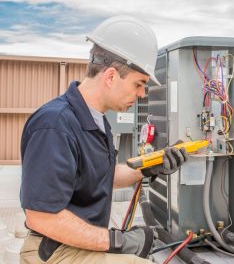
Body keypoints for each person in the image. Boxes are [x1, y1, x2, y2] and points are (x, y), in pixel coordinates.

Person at [19, 15, 188, 264]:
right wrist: (116, 241)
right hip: (54, 251)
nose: (142, 94)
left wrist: (150, 166)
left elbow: (103, 178)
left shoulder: (95, 121)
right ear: (110, 76)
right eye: (139, 84)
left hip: (74, 245)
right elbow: (41, 216)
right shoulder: (55, 125)